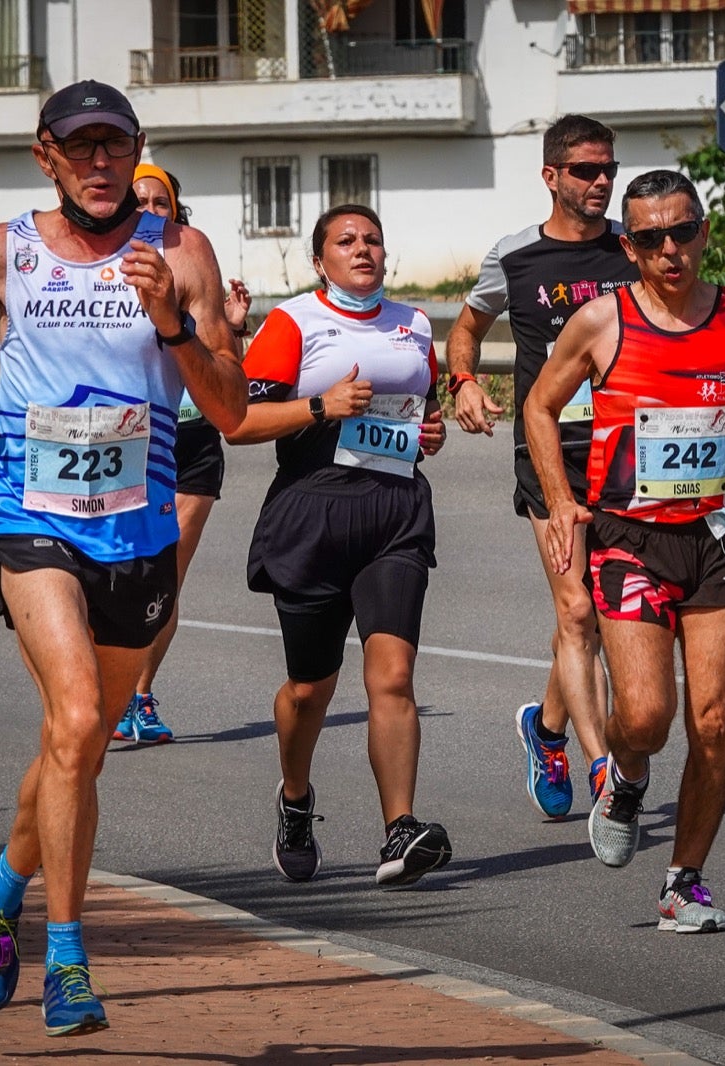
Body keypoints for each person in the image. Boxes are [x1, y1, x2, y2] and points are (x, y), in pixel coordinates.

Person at [0, 80, 246, 1035]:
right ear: (46, 157)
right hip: (30, 510)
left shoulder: (182, 253)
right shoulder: (5, 249)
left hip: (137, 525)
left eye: (115, 146)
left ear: (136, 150)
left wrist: (174, 322)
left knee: (78, 745)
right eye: (80, 147)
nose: (100, 164)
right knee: (81, 713)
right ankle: (67, 961)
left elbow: (226, 408)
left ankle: (3, 881)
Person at [524, 170, 725, 933]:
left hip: (720, 539)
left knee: (714, 719)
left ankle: (685, 879)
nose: (668, 250)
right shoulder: (602, 324)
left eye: (681, 232)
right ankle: (629, 773)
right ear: (630, 246)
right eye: (648, 238)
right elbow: (541, 406)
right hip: (629, 541)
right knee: (645, 715)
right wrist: (560, 500)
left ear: (704, 232)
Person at [224, 204, 452, 888]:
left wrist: (431, 433)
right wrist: (322, 406)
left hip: (395, 516)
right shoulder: (294, 323)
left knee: (392, 676)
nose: (363, 250)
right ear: (319, 260)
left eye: (373, 240)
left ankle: (400, 829)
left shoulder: (414, 326)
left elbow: (421, 411)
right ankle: (296, 798)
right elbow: (239, 421)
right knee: (309, 689)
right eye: (346, 242)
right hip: (313, 513)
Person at [446, 114, 639, 820]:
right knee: (578, 610)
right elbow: (466, 329)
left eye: (608, 169)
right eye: (586, 170)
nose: (600, 182)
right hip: (549, 450)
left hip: (627, 455)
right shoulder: (515, 256)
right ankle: (603, 772)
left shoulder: (634, 247)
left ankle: (546, 729)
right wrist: (462, 381)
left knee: (603, 617)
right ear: (551, 176)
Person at [110, 163, 254, 743]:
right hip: (129, 439)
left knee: (166, 578)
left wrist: (235, 329)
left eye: (159, 201)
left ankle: (138, 698)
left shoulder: (194, 266)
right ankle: (108, 687)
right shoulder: (103, 271)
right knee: (121, 571)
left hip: (192, 442)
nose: (148, 207)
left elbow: (223, 367)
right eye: (137, 197)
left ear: (175, 211)